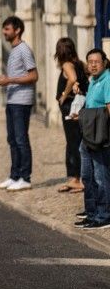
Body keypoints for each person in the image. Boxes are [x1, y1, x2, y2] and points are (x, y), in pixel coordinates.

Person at [0, 15, 37, 191]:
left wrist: (9, 80)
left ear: (17, 30)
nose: (4, 32)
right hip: (12, 101)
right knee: (12, 139)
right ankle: (14, 175)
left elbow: (34, 76)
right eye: (4, 29)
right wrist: (6, 80)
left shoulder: (24, 50)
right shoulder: (13, 50)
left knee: (21, 139)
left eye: (7, 29)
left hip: (22, 102)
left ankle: (25, 178)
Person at [76, 49, 110, 229]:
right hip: (87, 135)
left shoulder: (108, 79)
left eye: (97, 61)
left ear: (104, 62)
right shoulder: (93, 80)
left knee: (100, 176)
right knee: (87, 176)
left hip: (100, 136)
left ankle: (104, 215)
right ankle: (91, 213)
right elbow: (90, 106)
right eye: (90, 61)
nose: (93, 64)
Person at [54, 37, 88, 194]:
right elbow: (82, 77)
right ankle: (74, 178)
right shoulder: (80, 64)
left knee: (73, 142)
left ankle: (79, 179)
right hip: (80, 107)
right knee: (75, 142)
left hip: (71, 108)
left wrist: (64, 94)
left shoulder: (67, 64)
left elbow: (73, 78)